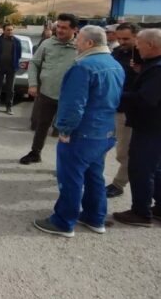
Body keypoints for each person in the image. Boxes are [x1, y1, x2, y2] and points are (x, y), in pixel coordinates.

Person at [33, 26, 124, 237]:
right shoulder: (115, 65)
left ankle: (63, 222)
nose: (76, 44)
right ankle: (95, 218)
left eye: (79, 40)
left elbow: (74, 104)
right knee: (94, 176)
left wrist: (64, 129)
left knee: (71, 178)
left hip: (82, 134)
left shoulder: (83, 67)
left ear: (89, 43)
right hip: (105, 132)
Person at [113, 29, 161, 228]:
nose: (137, 47)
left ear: (151, 45)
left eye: (139, 44)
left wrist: (114, 95)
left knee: (141, 171)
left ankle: (141, 213)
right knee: (155, 170)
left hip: (154, 131)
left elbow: (144, 100)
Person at [20, 13, 78, 165]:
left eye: (64, 28)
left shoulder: (81, 46)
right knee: (41, 125)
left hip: (70, 98)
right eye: (58, 26)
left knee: (67, 131)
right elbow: (34, 63)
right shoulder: (47, 43)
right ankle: (35, 152)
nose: (59, 30)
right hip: (46, 94)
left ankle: (66, 163)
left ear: (74, 30)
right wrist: (33, 84)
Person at [105, 22, 139, 198]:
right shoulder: (117, 52)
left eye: (126, 38)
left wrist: (139, 70)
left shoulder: (143, 57)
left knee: (123, 151)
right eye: (119, 39)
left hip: (126, 111)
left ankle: (119, 184)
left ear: (136, 36)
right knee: (100, 144)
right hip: (110, 107)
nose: (122, 42)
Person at [0, 23, 22, 115]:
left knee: (10, 88)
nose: (10, 31)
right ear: (4, 30)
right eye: (8, 30)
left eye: (11, 30)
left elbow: (19, 54)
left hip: (11, 68)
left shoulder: (17, 41)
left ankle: (9, 107)